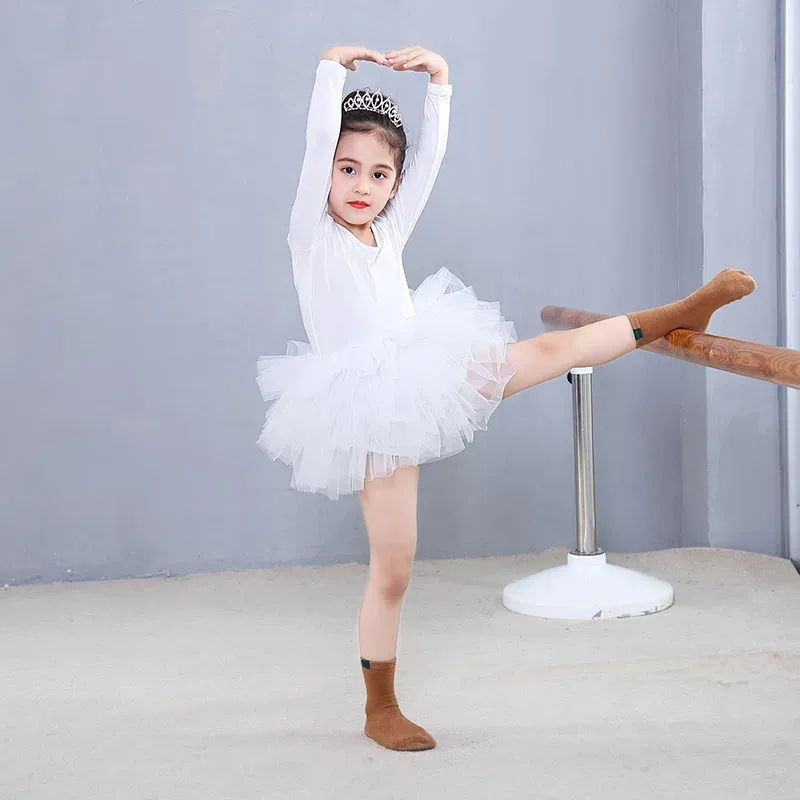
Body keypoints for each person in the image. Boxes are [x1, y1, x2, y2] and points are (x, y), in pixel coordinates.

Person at [256, 44, 756, 752]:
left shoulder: (389, 227)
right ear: (325, 175)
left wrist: (441, 83)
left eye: (377, 173)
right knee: (394, 565)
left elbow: (429, 163)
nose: (361, 185)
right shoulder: (311, 236)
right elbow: (316, 145)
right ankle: (379, 706)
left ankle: (683, 309)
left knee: (549, 352)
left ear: (393, 185)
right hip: (368, 405)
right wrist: (331, 70)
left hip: (430, 369)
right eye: (347, 170)